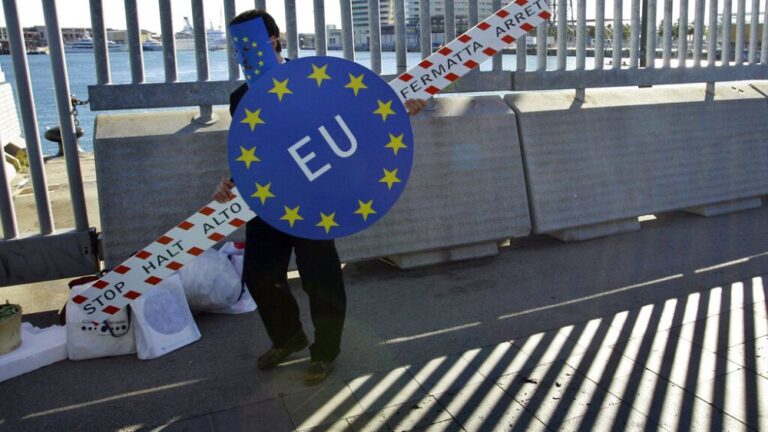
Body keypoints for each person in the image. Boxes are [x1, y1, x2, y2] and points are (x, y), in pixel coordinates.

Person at [215, 9, 427, 386]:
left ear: (274, 39)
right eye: (237, 48)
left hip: (316, 197)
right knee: (260, 274)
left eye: (250, 45)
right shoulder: (240, 98)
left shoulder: (312, 79)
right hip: (268, 198)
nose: (243, 55)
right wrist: (230, 182)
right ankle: (288, 339)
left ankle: (325, 352)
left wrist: (400, 109)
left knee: (319, 276)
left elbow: (359, 116)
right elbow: (255, 152)